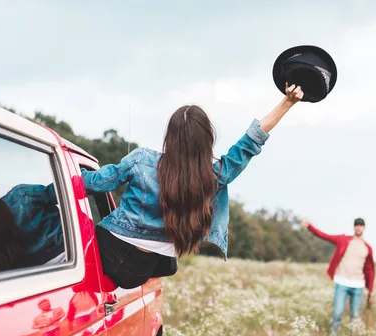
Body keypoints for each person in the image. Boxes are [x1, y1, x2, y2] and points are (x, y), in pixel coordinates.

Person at [82, 84, 304, 289]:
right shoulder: (212, 175)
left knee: (57, 220)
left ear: (170, 136)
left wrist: (68, 172)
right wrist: (288, 102)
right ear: (207, 138)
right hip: (146, 267)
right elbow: (251, 141)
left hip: (112, 250)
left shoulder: (142, 160)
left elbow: (95, 183)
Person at [301, 218, 375, 336]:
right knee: (337, 313)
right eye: (356, 225)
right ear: (354, 227)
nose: (358, 228)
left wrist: (370, 291)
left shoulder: (367, 248)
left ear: (364, 228)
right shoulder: (343, 240)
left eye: (361, 226)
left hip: (358, 285)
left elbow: (370, 270)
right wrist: (310, 227)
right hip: (342, 282)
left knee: (355, 316)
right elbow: (324, 236)